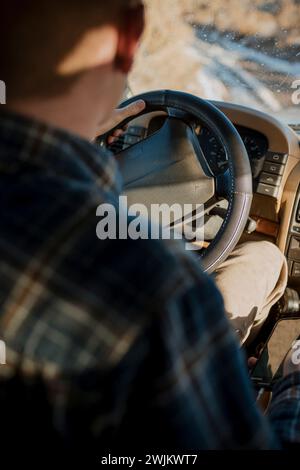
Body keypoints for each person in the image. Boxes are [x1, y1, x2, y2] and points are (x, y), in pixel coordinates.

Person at [0, 0, 299, 457]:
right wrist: (294, 386)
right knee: (263, 257)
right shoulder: (156, 291)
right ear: (129, 37)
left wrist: (78, 136)